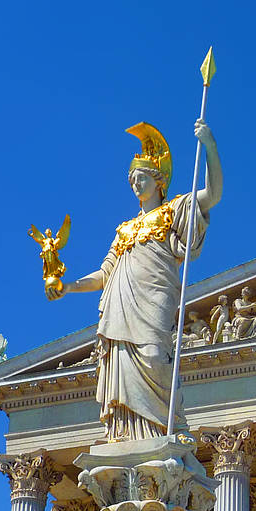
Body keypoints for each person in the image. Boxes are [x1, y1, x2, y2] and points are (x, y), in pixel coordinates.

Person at [48, 119, 222, 441]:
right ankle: (126, 435)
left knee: (156, 356)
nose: (134, 184)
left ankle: (173, 427)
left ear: (158, 181)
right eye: (131, 180)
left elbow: (212, 194)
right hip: (120, 309)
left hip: (153, 301)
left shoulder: (174, 211)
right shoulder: (125, 229)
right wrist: (70, 286)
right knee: (121, 367)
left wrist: (209, 146)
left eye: (140, 178)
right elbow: (105, 273)